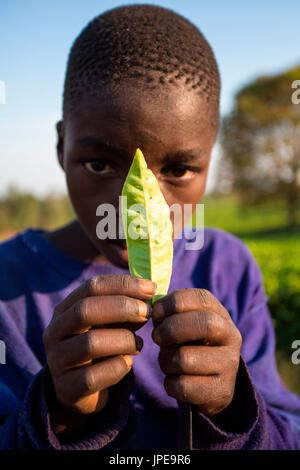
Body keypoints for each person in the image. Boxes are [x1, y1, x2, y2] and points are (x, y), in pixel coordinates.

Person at [0, 4, 299, 450]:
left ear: (210, 162)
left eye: (178, 169)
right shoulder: (8, 284)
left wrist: (233, 406)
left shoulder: (229, 268)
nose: (135, 209)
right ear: (62, 145)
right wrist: (57, 413)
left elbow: (287, 433)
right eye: (100, 164)